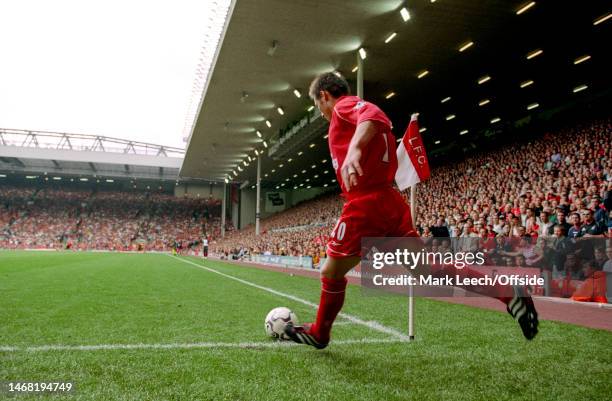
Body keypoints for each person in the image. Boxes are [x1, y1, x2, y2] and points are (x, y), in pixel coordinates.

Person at [284, 72, 538, 349]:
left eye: (317, 105)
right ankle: (507, 292)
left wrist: (355, 149)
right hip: (388, 202)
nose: (320, 113)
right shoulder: (346, 116)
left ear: (323, 96)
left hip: (366, 204)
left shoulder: (344, 106)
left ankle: (320, 333)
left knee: (330, 272)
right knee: (426, 269)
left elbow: (374, 113)